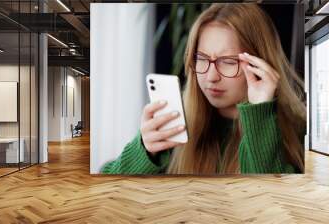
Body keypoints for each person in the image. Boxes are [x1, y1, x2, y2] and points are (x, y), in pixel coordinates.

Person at [101, 3, 306, 175]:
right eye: (201, 59)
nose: (211, 77)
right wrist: (144, 151)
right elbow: (105, 186)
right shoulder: (177, 127)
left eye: (228, 61)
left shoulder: (300, 133)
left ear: (259, 64)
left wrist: (260, 114)